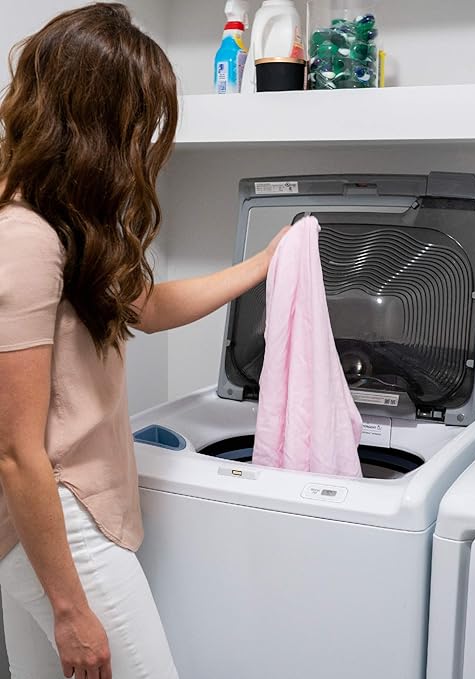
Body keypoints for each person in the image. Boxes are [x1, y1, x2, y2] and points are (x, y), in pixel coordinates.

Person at [0, 4, 287, 678]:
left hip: (57, 517)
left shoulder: (65, 223)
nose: (144, 138)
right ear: (95, 120)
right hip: (60, 519)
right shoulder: (26, 237)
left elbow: (146, 306)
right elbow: (14, 451)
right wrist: (70, 608)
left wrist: (261, 264)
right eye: (137, 118)